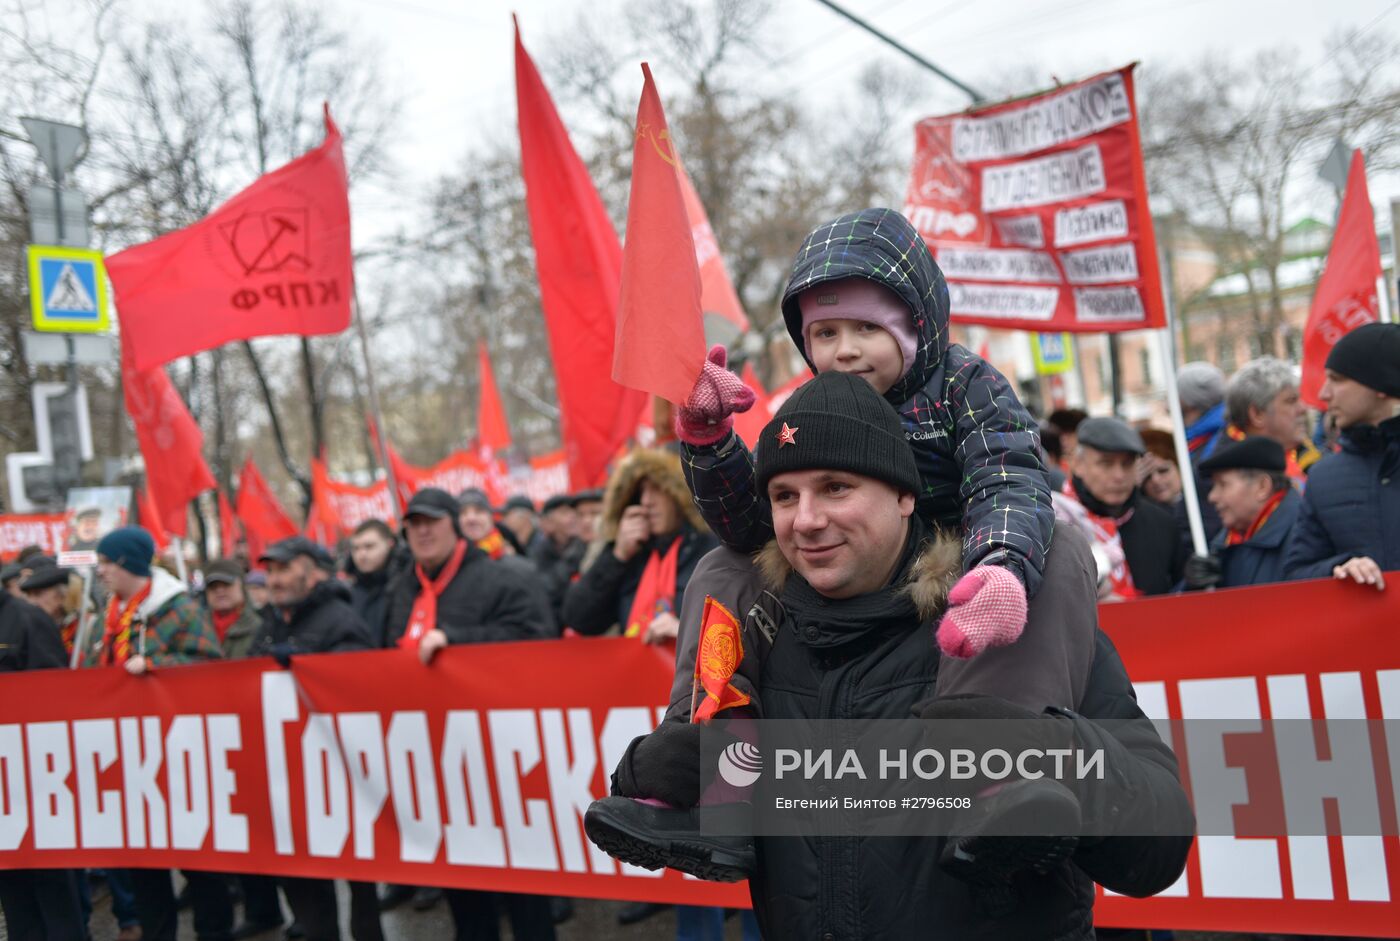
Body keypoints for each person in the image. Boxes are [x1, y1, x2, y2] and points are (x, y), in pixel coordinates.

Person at [588, 371, 1194, 938]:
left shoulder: (1013, 617)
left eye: (835, 488)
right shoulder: (756, 634)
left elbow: (1158, 846)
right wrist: (660, 771)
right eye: (783, 495)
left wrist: (1054, 755)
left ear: (905, 495)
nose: (807, 520)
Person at [385, 488, 556, 941]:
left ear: (454, 523)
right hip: (439, 762)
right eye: (413, 523)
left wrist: (457, 640)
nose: (422, 531)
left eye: (431, 520)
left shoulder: (503, 577)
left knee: (524, 883)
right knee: (463, 884)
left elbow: (537, 640)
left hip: (502, 758)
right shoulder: (403, 587)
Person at [82, 526, 232, 941]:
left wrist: (156, 664)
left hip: (179, 754)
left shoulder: (178, 608)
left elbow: (209, 667)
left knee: (199, 861)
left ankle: (214, 932)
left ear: (128, 563)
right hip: (126, 758)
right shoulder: (107, 620)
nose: (102, 572)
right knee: (142, 862)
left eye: (107, 563)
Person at [250, 536, 382, 941]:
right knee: (305, 885)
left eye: (284, 569)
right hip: (291, 776)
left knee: (361, 879)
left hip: (340, 772)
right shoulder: (272, 623)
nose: (275, 579)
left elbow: (358, 682)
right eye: (270, 572)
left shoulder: (340, 618)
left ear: (312, 573)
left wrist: (310, 667)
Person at [0, 578, 87, 940]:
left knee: (52, 884)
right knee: (13, 889)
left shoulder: (26, 619)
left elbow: (56, 696)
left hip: (35, 779)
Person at [1284, 322, 1400, 587]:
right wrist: (1338, 569)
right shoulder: (1324, 477)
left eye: (1337, 379)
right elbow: (1295, 575)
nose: (1324, 394)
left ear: (1381, 383)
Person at [562, 448, 718, 643]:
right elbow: (579, 619)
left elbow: (738, 627)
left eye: (657, 489)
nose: (646, 501)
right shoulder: (630, 554)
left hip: (692, 671)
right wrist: (617, 555)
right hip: (638, 670)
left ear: (680, 496)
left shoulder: (712, 551)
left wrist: (688, 633)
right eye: (641, 492)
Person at [1060, 417, 1190, 598]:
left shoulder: (1161, 523)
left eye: (1127, 464)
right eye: (1106, 463)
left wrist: (1192, 583)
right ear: (1078, 464)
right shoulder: (1058, 523)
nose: (1119, 475)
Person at [1184, 437, 1301, 591]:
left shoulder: (1304, 538)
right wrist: (1193, 587)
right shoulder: (1223, 544)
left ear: (1262, 487)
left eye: (1223, 484)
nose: (1212, 497)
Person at [1225, 356, 1316, 484]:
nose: (1303, 408)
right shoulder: (1231, 478)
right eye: (1291, 401)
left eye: (1300, 399)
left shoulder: (1312, 458)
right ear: (1257, 414)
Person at [346, 518, 406, 647]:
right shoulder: (349, 592)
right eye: (356, 548)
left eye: (369, 546)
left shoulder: (406, 584)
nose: (361, 555)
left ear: (390, 544)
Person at [530, 493, 586, 624]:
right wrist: (570, 562)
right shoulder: (539, 553)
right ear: (547, 523)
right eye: (564, 513)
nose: (573, 517)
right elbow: (544, 589)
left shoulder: (586, 546)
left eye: (575, 512)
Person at [19, 557, 82, 654]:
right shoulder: (25, 629)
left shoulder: (81, 627)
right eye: (28, 595)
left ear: (60, 596)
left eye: (38, 594)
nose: (31, 602)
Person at [202, 559, 263, 659]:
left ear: (241, 586)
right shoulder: (196, 626)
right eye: (213, 586)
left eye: (227, 584)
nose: (219, 590)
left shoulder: (260, 624)